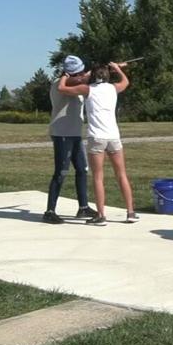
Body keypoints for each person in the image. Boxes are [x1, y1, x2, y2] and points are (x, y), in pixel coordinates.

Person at [59, 61, 137, 226]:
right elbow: (126, 82)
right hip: (114, 137)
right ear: (107, 75)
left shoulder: (87, 90)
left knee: (98, 177)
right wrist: (117, 69)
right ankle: (130, 212)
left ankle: (101, 215)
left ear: (93, 75)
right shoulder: (113, 88)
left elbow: (62, 88)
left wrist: (65, 76)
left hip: (97, 138)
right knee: (121, 174)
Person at [44, 55, 97, 224]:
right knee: (61, 172)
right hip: (62, 134)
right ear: (70, 74)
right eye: (78, 73)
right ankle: (50, 211)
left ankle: (83, 207)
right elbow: (78, 81)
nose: (82, 75)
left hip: (75, 134)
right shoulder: (59, 84)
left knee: (82, 170)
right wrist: (97, 73)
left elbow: (84, 81)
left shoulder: (77, 83)